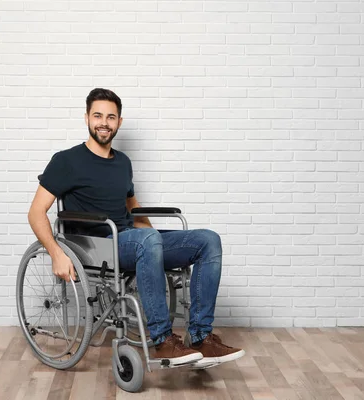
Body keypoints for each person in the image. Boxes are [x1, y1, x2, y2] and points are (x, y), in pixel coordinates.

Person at [27, 88, 244, 367]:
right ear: (86, 118)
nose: (104, 122)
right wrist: (57, 253)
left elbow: (135, 211)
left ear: (119, 121)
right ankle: (163, 340)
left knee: (208, 240)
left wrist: (158, 248)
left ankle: (202, 337)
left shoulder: (123, 163)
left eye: (111, 117)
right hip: (96, 245)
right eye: (97, 115)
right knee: (146, 240)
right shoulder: (66, 161)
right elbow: (36, 213)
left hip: (131, 240)